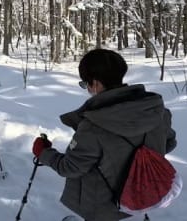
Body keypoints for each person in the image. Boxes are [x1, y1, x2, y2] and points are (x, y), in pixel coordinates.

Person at [32, 48, 177, 221]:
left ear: (95, 83)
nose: (87, 88)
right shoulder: (157, 112)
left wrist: (43, 153)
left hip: (103, 208)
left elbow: (70, 167)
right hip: (141, 198)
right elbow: (168, 143)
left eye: (84, 84)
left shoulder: (93, 126)